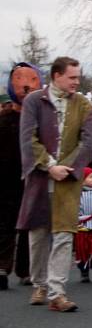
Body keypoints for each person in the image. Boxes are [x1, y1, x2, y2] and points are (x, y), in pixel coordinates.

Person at [16, 56, 92, 311]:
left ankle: (57, 292)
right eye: (72, 77)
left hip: (68, 181)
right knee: (38, 234)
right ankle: (40, 283)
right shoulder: (34, 102)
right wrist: (49, 166)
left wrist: (67, 168)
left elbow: (88, 142)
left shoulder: (84, 105)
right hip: (39, 178)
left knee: (63, 235)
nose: (76, 81)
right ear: (56, 76)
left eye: (77, 77)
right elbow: (28, 138)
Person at [0, 62, 43, 291]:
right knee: (5, 222)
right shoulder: (4, 119)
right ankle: (2, 266)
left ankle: (26, 269)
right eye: (18, 79)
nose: (25, 85)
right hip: (5, 179)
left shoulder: (39, 119)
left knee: (29, 223)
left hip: (32, 177)